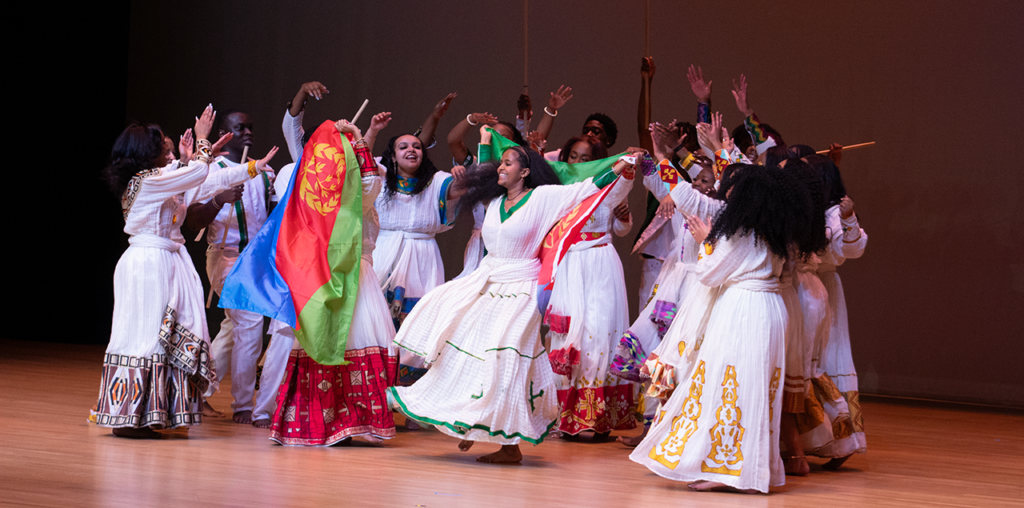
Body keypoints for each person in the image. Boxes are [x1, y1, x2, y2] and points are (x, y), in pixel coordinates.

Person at [389, 126, 639, 463]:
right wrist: (484, 141)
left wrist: (619, 168)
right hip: (491, 282)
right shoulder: (494, 204)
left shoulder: (544, 198)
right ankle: (478, 424)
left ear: (524, 171)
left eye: (507, 163)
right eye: (500, 163)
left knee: (506, 359)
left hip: (522, 289)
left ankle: (509, 445)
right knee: (467, 350)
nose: (500, 168)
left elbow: (584, 188)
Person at [631, 163, 813, 494]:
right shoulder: (774, 230)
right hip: (770, 310)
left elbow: (709, 273)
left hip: (743, 309)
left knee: (731, 384)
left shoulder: (740, 231)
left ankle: (727, 469)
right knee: (756, 390)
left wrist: (705, 242)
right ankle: (747, 469)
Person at [94, 105, 275, 437]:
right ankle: (131, 417)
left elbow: (204, 182)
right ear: (147, 154)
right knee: (146, 339)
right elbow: (193, 176)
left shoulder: (160, 179)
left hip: (164, 262)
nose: (169, 151)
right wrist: (203, 144)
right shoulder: (147, 181)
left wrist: (250, 168)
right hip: (148, 264)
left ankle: (154, 412)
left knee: (166, 338)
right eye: (163, 149)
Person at [269, 120, 399, 445]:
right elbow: (370, 185)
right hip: (336, 278)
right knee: (334, 345)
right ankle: (335, 423)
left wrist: (357, 140)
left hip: (342, 277)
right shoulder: (324, 194)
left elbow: (368, 186)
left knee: (338, 345)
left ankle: (342, 423)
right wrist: (357, 138)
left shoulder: (344, 193)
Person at [185, 109, 276, 425]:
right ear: (226, 132)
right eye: (241, 128)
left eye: (251, 127)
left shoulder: (265, 172)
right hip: (226, 257)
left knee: (232, 330)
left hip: (255, 262)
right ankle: (243, 405)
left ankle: (194, 390)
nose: (248, 132)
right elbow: (193, 213)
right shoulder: (211, 171)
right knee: (250, 320)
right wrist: (220, 199)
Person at [544, 135, 635, 439]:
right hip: (569, 265)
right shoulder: (558, 189)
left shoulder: (610, 184)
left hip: (600, 265)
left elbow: (621, 228)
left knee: (599, 337)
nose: (579, 163)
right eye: (573, 157)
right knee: (567, 338)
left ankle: (599, 420)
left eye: (586, 158)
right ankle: (567, 419)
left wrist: (623, 218)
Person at [373, 123, 462, 387]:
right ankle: (378, 389)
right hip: (385, 251)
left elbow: (461, 190)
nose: (412, 149)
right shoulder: (378, 177)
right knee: (379, 318)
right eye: (404, 146)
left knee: (420, 321)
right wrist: (371, 131)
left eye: (417, 146)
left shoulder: (437, 182)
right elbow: (358, 159)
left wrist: (463, 177)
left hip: (423, 257)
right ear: (392, 155)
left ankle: (412, 395)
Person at [804, 153, 868, 469]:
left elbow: (851, 249)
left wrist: (850, 218)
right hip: (805, 286)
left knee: (827, 355)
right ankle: (817, 436)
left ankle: (841, 440)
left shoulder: (832, 213)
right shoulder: (813, 209)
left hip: (822, 287)